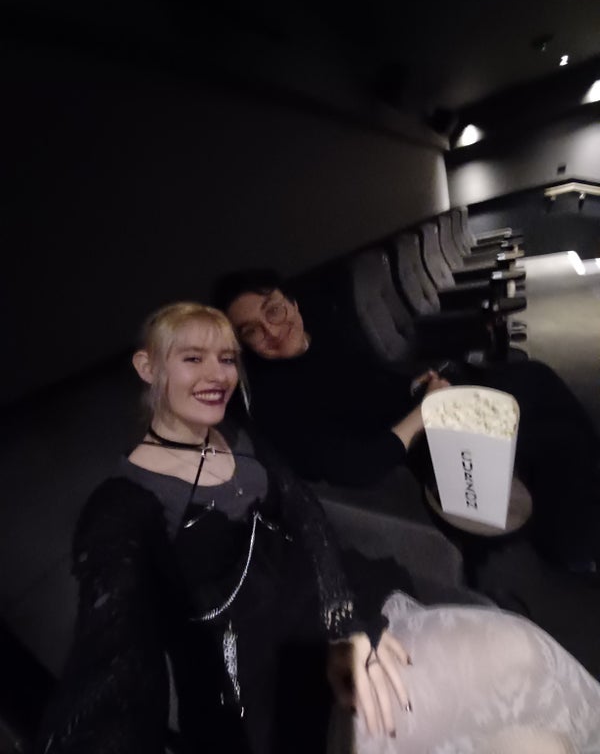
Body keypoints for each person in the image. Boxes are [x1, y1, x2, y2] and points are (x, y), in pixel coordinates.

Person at [36, 302, 600, 754]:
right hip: (272, 694)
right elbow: (112, 672)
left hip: (338, 612)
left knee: (533, 730)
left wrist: (343, 621)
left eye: (226, 359)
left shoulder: (235, 439)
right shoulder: (120, 508)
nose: (216, 375)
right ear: (149, 368)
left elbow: (307, 519)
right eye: (193, 358)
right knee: (519, 663)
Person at [215, 269, 600, 574]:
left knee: (535, 379)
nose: (271, 331)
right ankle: (575, 545)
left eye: (273, 310)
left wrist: (416, 385)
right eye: (252, 331)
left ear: (292, 303)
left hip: (420, 409)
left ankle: (572, 521)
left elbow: (373, 380)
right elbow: (356, 466)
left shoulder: (325, 331)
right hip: (408, 446)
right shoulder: (274, 401)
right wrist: (423, 414)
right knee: (544, 423)